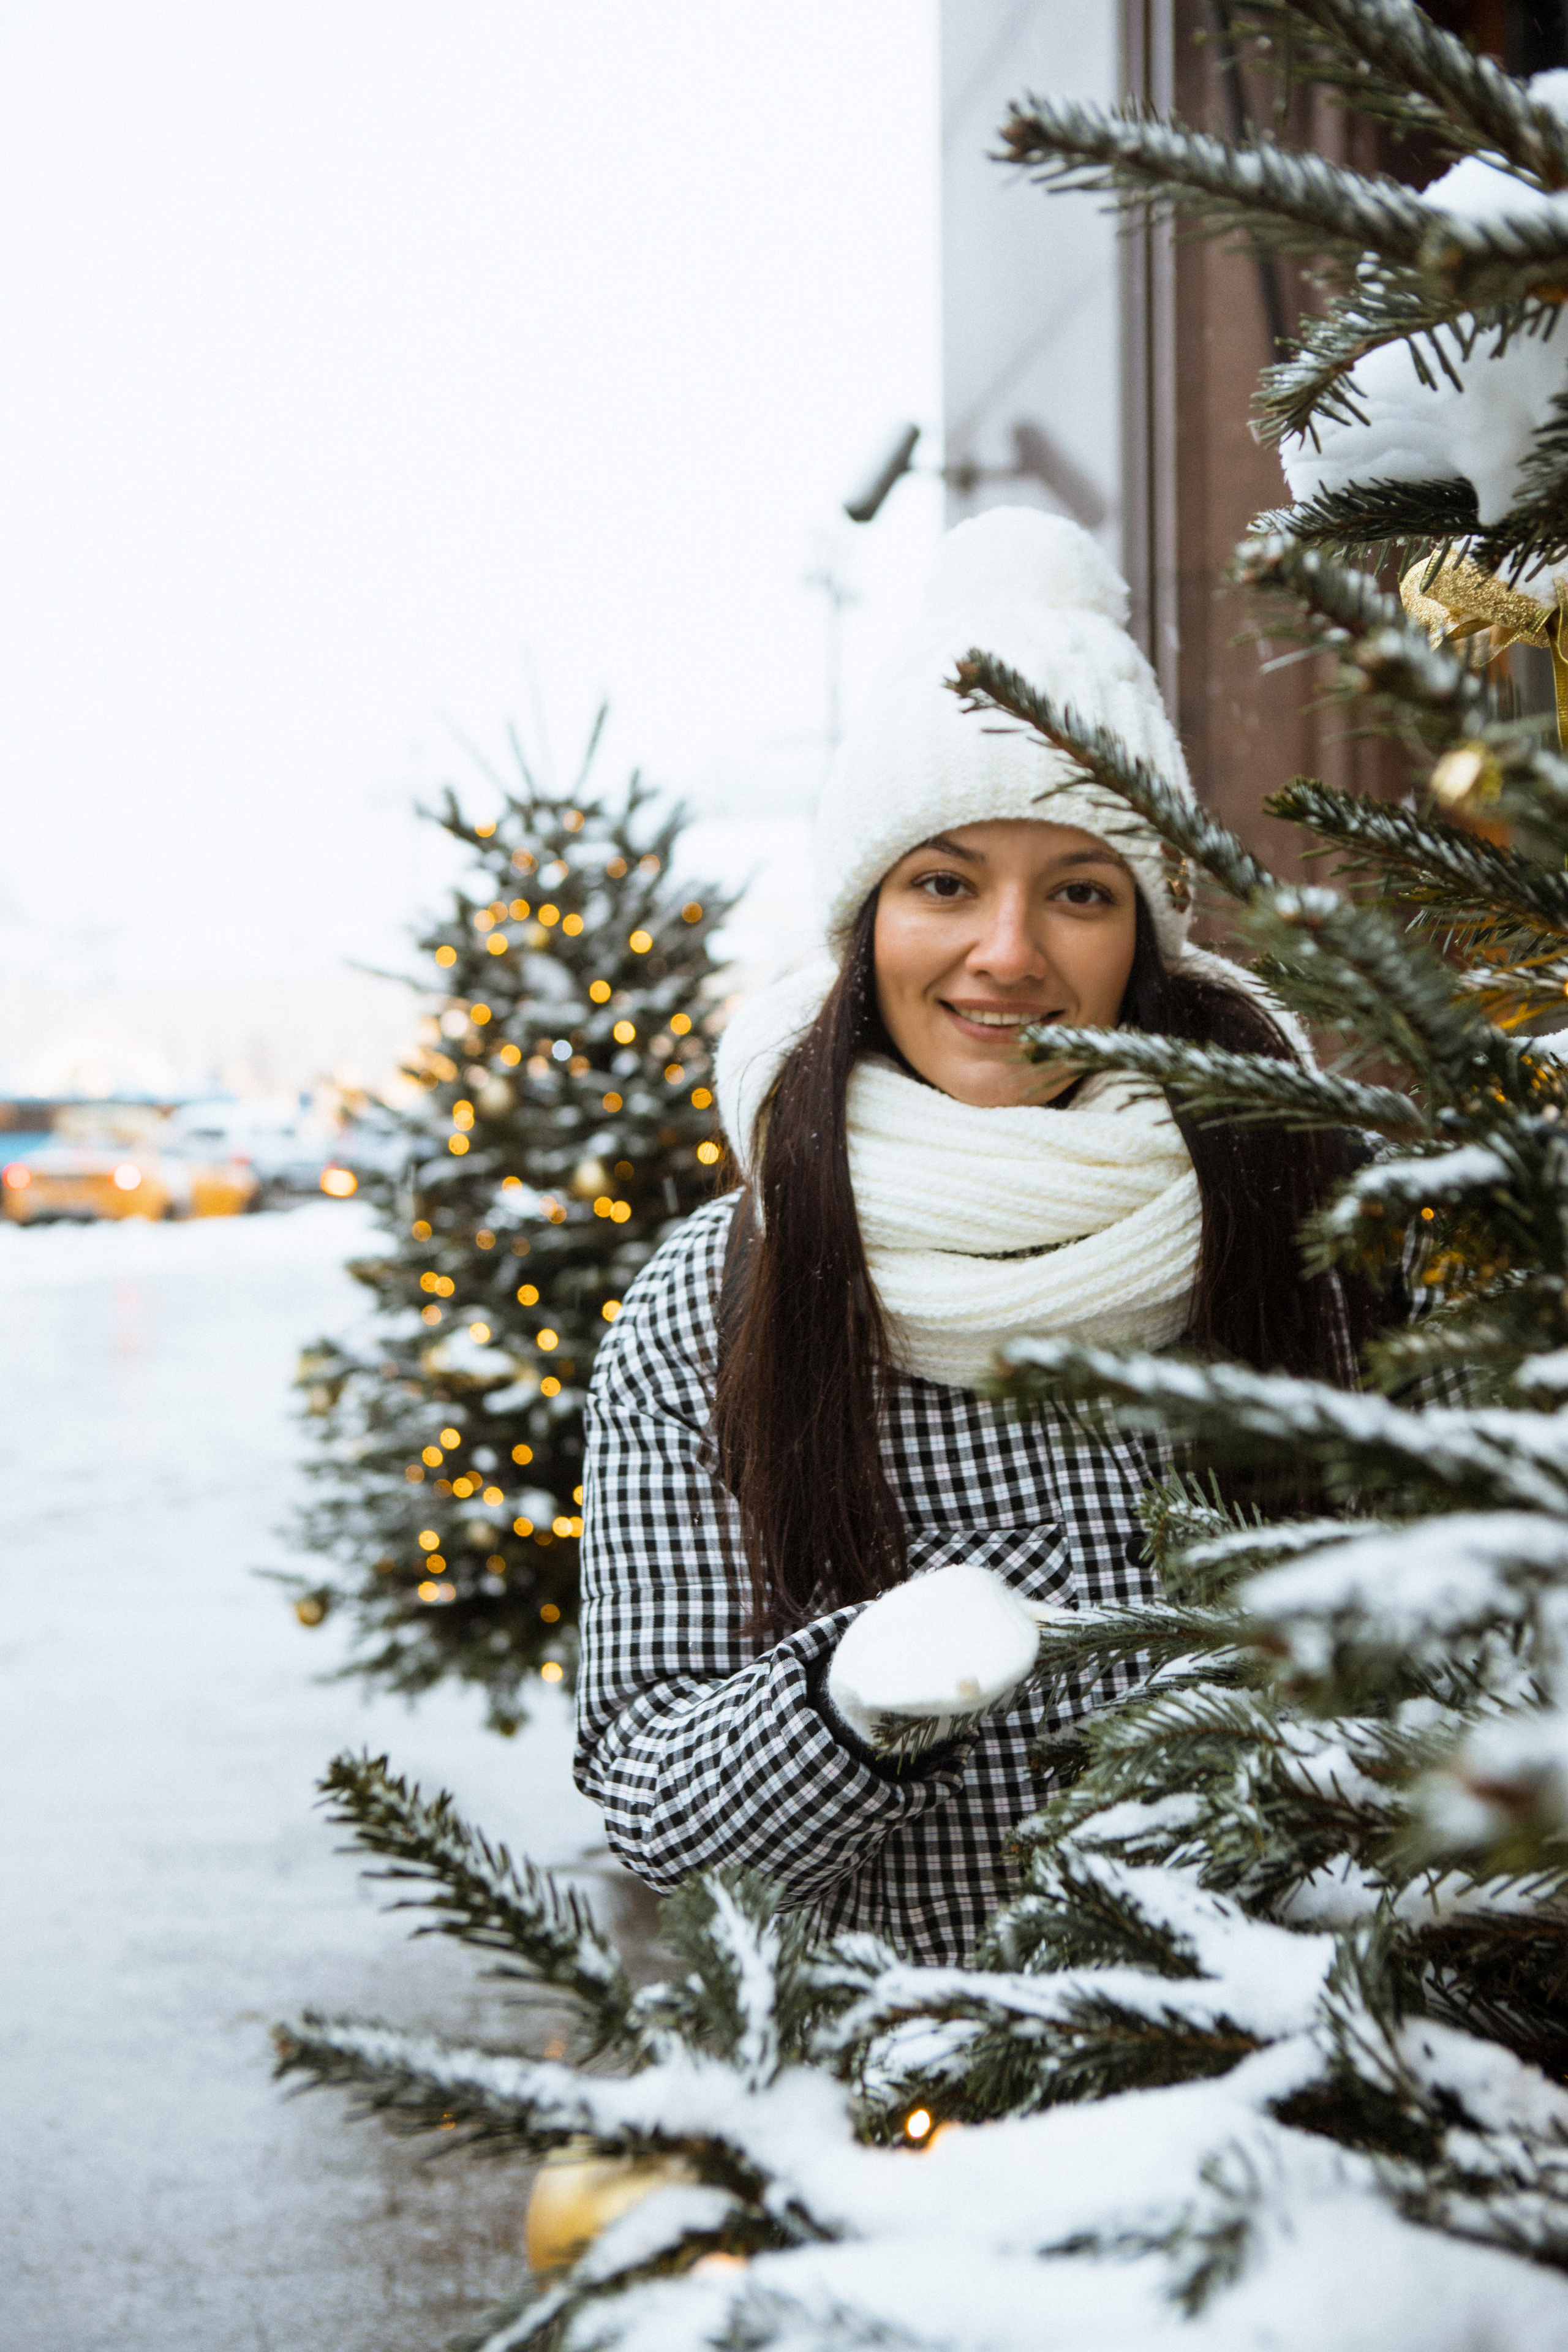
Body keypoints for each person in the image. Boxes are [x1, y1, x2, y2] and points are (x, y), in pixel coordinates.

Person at [575, 508, 1362, 1966]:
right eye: (944, 883)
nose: (1008, 952)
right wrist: (852, 1702)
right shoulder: (716, 1297)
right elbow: (649, 1808)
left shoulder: (1311, 1221)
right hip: (900, 2131)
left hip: (1302, 2105)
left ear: (1145, 934)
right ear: (864, 922)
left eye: (1076, 890)